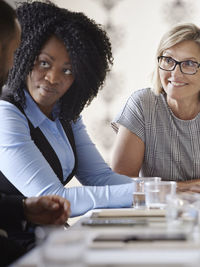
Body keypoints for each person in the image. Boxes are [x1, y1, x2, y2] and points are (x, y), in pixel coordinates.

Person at [0, 1, 137, 218]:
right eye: (44, 63)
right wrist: (152, 194)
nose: (53, 78)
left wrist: (169, 190)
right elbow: (54, 197)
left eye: (68, 70)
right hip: (16, 248)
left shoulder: (64, 113)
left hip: (50, 239)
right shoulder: (6, 114)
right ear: (23, 56)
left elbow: (101, 178)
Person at [111, 23, 200, 206]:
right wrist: (186, 188)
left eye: (189, 64)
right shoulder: (141, 104)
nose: (175, 73)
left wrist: (161, 189)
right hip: (160, 218)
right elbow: (119, 185)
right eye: (168, 60)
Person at [0, 1, 70, 265]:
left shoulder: (65, 114)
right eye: (14, 52)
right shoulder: (6, 110)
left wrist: (23, 208)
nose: (13, 64)